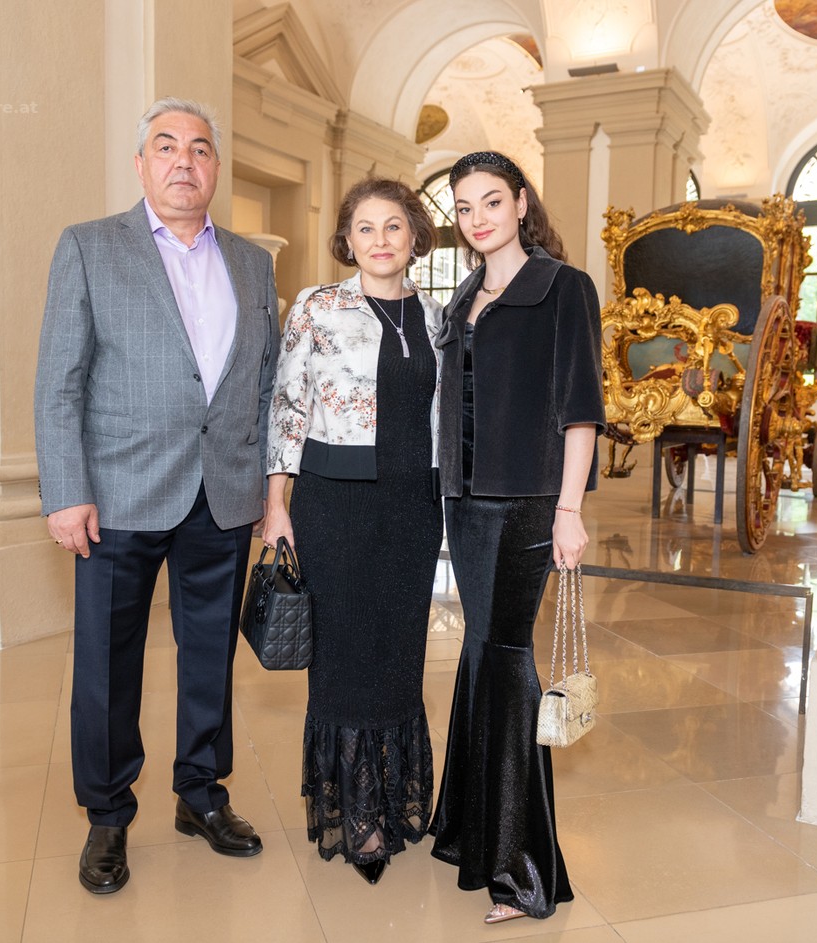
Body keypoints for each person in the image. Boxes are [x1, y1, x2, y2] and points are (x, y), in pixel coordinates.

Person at [34, 97, 280, 894]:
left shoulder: (252, 263)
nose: (184, 161)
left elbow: (266, 383)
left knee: (211, 655)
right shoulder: (89, 247)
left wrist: (268, 487)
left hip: (223, 492)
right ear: (141, 164)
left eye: (200, 148)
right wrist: (66, 490)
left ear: (216, 168)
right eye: (166, 146)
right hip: (118, 494)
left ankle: (201, 794)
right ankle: (108, 814)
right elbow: (59, 381)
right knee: (107, 663)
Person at [428, 151, 605, 924]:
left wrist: (569, 508)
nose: (478, 218)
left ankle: (521, 868)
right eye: (465, 207)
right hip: (464, 499)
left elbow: (581, 406)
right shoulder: (464, 295)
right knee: (479, 649)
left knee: (504, 656)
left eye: (492, 201)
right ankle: (469, 828)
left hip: (528, 499)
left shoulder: (563, 287)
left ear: (522, 202)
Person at [262, 178, 443, 886]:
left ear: (414, 236)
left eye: (393, 226)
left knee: (398, 657)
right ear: (346, 239)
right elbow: (287, 404)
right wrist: (277, 505)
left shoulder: (438, 316)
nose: (380, 240)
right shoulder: (317, 306)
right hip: (334, 506)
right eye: (365, 228)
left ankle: (396, 804)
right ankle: (359, 818)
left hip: (413, 508)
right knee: (342, 659)